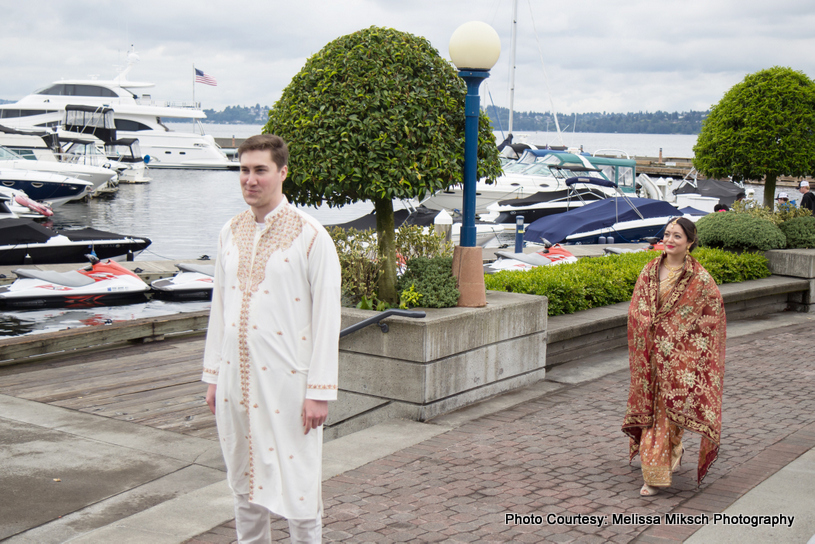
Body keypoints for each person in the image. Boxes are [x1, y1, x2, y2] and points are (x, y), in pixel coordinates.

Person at [202, 134, 341, 543]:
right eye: (244, 170)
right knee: (244, 483)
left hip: (289, 386)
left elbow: (327, 317)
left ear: (282, 172)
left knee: (299, 487)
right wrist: (213, 376)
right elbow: (219, 308)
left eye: (260, 170)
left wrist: (319, 391)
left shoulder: (311, 236)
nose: (250, 180)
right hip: (235, 382)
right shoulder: (230, 232)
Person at [622, 217, 726, 496]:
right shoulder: (649, 270)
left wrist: (676, 337)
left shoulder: (699, 279)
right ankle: (665, 459)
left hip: (680, 359)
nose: (669, 240)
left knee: (667, 414)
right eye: (667, 234)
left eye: (677, 236)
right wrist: (649, 327)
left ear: (690, 242)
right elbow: (637, 309)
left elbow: (711, 318)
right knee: (657, 414)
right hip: (650, 357)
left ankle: (655, 474)